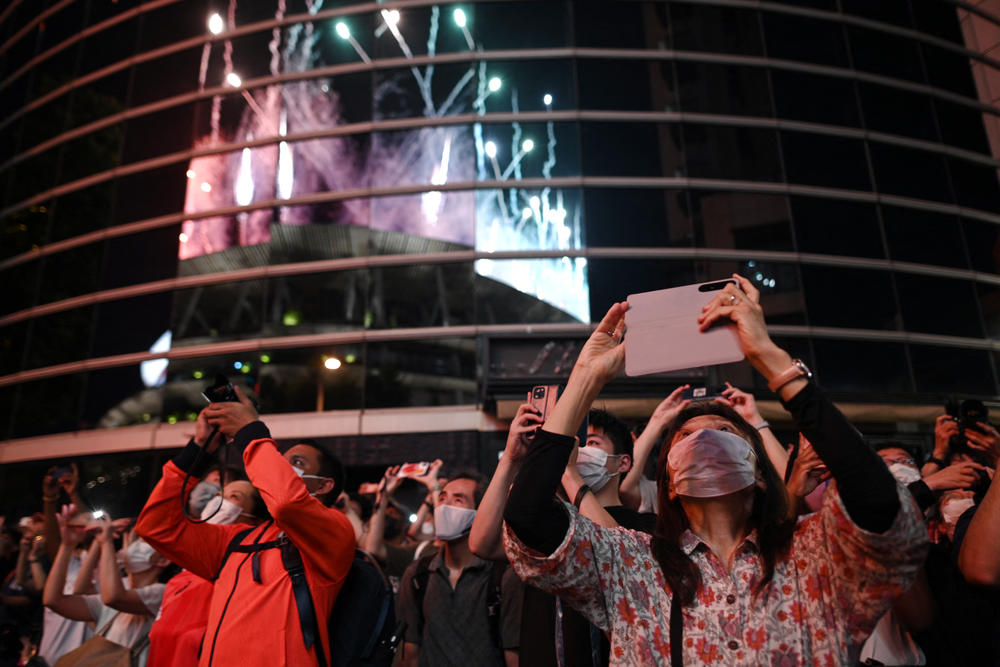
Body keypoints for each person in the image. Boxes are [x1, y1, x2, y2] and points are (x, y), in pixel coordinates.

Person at [503, 274, 928, 664]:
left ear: (760, 473)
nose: (704, 439)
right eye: (686, 437)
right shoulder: (633, 565)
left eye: (724, 430)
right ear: (669, 484)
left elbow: (880, 507)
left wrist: (769, 356)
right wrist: (585, 376)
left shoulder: (817, 555)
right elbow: (526, 516)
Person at [135, 392, 356, 667]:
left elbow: (286, 502)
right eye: (280, 461)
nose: (283, 468)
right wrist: (199, 450)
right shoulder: (239, 538)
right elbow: (157, 527)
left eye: (296, 463)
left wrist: (250, 431)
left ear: (324, 486)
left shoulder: (335, 530)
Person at [397, 472, 524, 667]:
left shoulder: (503, 576)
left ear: (481, 512)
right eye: (442, 498)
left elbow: (514, 657)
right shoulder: (418, 574)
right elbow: (410, 655)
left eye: (458, 500)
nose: (444, 507)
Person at [146, 479, 267, 667]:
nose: (219, 502)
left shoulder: (241, 576)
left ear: (256, 521)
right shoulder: (180, 578)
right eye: (219, 495)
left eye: (234, 497)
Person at [43, 506, 167, 667]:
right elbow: (54, 600)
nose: (133, 544)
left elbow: (114, 597)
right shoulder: (118, 591)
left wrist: (106, 542)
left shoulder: (163, 593)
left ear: (164, 560)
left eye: (143, 540)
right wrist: (66, 546)